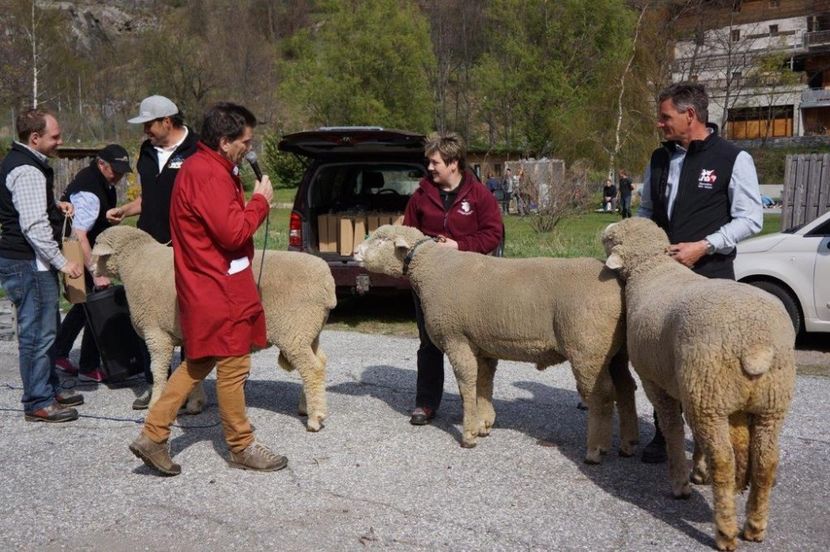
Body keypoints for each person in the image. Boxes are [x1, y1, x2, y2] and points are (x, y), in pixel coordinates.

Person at [129, 102, 286, 475]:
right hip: (217, 287)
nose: (249, 147)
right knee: (233, 366)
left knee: (198, 361)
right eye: (245, 141)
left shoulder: (208, 167)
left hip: (210, 283)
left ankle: (153, 434)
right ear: (224, 140)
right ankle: (241, 445)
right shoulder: (208, 174)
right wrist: (260, 203)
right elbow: (233, 232)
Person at [637, 81, 763, 463]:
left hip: (712, 279)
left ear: (690, 115)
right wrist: (644, 242)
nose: (660, 125)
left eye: (665, 117)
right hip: (664, 282)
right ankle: (664, 433)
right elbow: (645, 211)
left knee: (711, 365)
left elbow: (751, 219)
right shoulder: (658, 160)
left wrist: (704, 246)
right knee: (663, 360)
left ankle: (710, 442)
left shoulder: (732, 158)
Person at [402, 132, 503, 425]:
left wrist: (458, 245)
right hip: (430, 286)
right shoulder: (421, 195)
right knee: (429, 342)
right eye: (429, 163)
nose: (430, 168)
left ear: (453, 163)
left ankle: (474, 404)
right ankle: (426, 402)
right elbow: (409, 234)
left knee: (474, 343)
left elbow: (493, 235)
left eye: (434, 162)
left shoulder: (479, 195)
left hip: (471, 284)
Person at [108, 95, 199, 409]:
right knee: (148, 317)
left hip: (186, 248)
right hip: (149, 249)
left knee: (188, 314)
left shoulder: (198, 150)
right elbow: (150, 198)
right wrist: (126, 209)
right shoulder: (146, 153)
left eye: (149, 123)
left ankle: (190, 387)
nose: (145, 129)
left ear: (168, 121)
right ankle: (155, 382)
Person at [0, 109, 84, 422]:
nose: (60, 141)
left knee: (47, 329)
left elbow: (29, 208)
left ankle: (49, 387)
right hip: (28, 264)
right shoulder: (28, 170)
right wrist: (64, 263)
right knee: (37, 334)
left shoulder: (23, 163)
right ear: (35, 138)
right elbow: (34, 226)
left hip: (26, 262)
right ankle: (38, 400)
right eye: (55, 136)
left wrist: (54, 205)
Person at [52, 145, 132, 383]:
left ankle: (58, 353)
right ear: (101, 164)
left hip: (76, 246)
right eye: (114, 170)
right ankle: (88, 366)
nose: (118, 176)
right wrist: (96, 271)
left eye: (121, 171)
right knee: (96, 303)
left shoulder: (98, 181)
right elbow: (79, 235)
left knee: (83, 303)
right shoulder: (90, 191)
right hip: (76, 249)